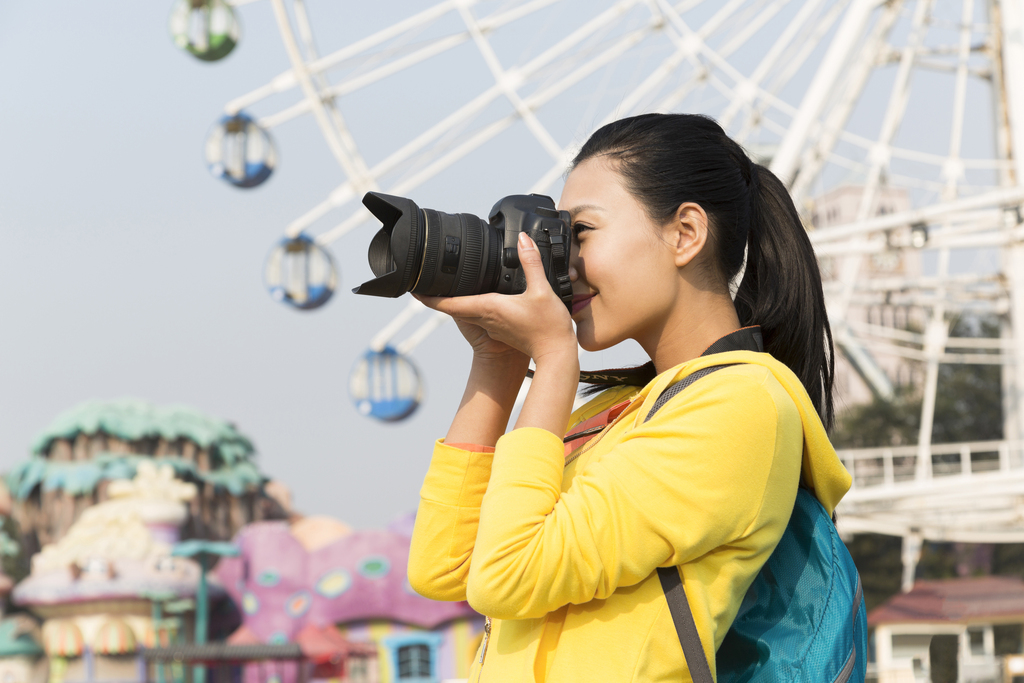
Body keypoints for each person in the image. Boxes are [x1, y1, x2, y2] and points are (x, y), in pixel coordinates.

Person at [407, 113, 853, 682]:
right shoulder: (611, 415)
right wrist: (497, 362)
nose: (561, 261)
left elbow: (507, 572)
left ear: (685, 234)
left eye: (582, 232)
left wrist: (555, 359)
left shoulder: (743, 407)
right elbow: (444, 567)